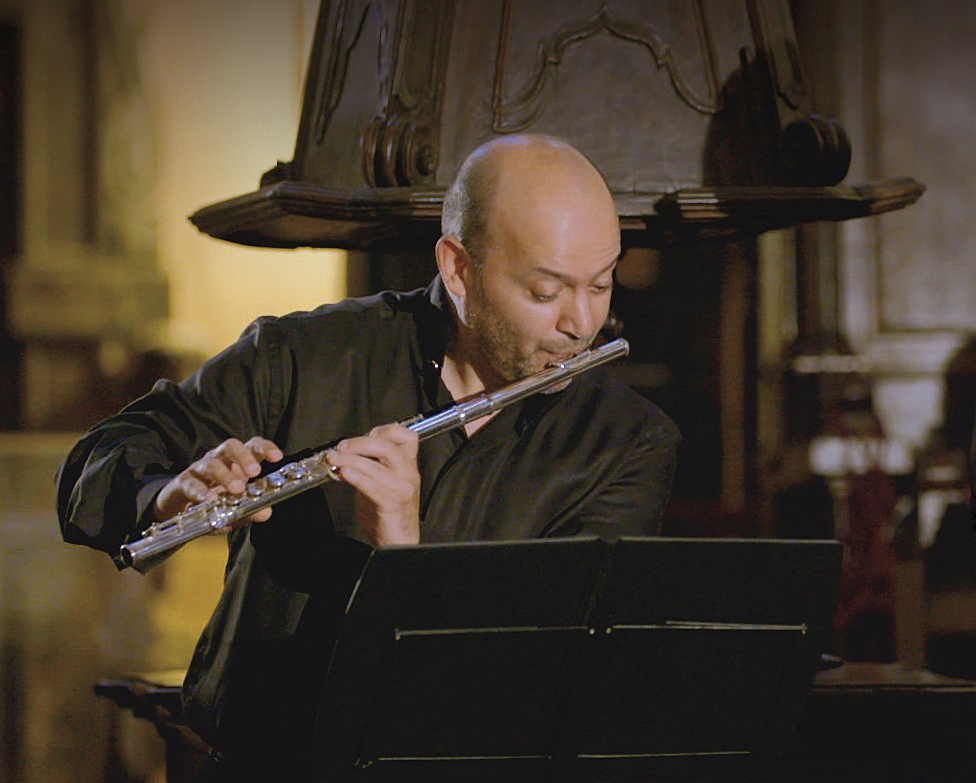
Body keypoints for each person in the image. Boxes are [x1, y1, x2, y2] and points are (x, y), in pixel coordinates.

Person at [57, 134, 680, 781]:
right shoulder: (302, 356)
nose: (581, 321)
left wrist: (405, 559)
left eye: (601, 284)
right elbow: (92, 465)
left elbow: (548, 673)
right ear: (459, 268)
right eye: (547, 291)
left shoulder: (627, 440)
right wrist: (168, 493)